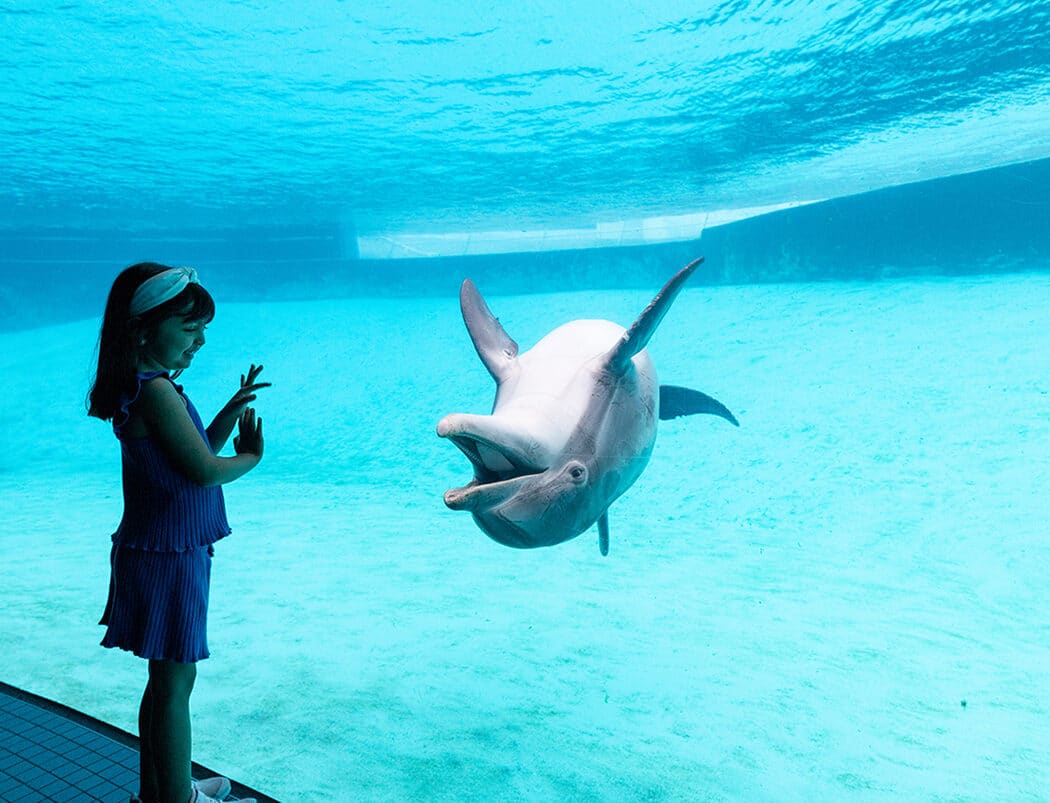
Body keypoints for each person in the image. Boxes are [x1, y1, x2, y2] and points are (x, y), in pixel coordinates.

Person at [88, 263, 269, 803]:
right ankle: (179, 801)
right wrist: (251, 458)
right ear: (145, 328)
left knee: (164, 683)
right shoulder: (157, 391)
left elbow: (190, 451)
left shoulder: (144, 388)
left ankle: (160, 790)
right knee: (175, 687)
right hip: (171, 554)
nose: (201, 340)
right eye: (189, 329)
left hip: (156, 549)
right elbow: (206, 470)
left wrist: (228, 411)